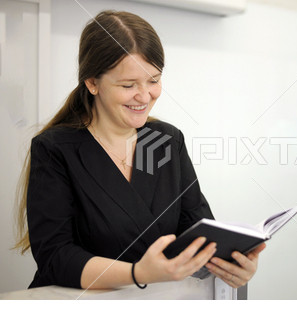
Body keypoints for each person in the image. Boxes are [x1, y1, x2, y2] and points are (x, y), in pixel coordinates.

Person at [14, 10, 265, 290]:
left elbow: (199, 234)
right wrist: (137, 273)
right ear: (92, 83)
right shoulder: (55, 149)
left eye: (154, 80)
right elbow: (55, 258)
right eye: (128, 85)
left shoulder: (166, 141)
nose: (145, 96)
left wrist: (230, 263)